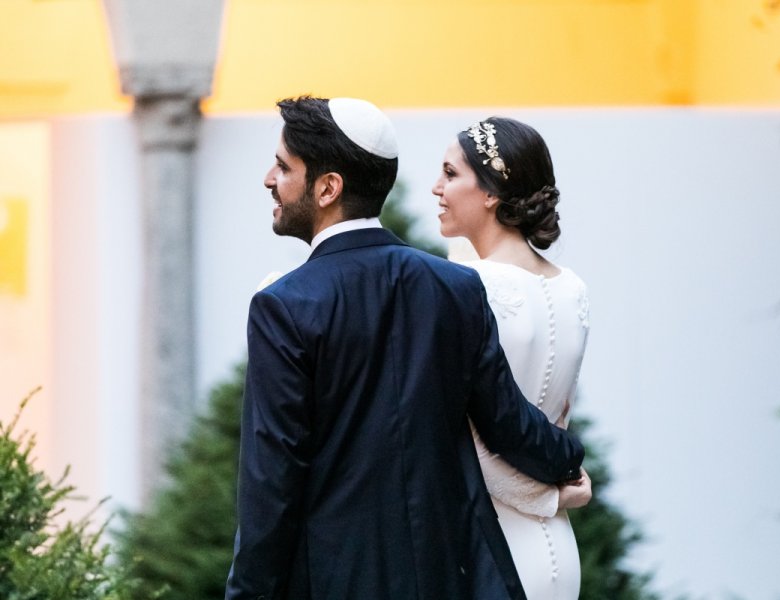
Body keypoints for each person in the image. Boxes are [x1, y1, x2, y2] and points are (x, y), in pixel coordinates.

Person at [223, 96, 585, 600]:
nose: (269, 179)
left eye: (284, 166)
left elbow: (270, 484)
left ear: (328, 188)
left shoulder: (284, 304)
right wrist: (570, 458)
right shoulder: (456, 287)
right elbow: (511, 424)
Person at [432, 117, 592, 599]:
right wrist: (562, 495)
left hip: (490, 551)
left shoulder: (468, 287)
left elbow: (464, 445)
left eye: (450, 174)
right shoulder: (573, 288)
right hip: (560, 548)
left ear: (491, 194)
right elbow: (555, 427)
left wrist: (547, 497)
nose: (436, 188)